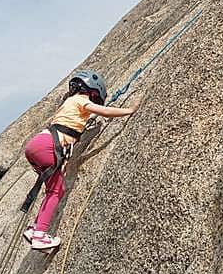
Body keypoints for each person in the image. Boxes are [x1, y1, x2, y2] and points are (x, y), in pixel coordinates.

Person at [22, 69, 138, 250]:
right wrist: (129, 110)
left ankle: (34, 228)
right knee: (57, 191)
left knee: (53, 188)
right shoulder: (82, 100)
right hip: (48, 146)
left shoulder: (68, 102)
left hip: (37, 145)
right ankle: (39, 235)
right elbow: (104, 111)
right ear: (92, 92)